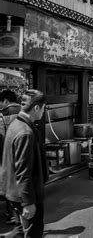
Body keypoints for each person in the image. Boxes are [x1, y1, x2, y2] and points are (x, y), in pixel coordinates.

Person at [0, 89, 49, 237]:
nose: (43, 112)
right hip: (25, 195)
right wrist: (28, 202)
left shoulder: (15, 124)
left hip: (13, 192)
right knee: (32, 233)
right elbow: (23, 171)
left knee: (20, 231)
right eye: (43, 108)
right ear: (36, 108)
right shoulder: (25, 132)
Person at [0, 90, 21, 226]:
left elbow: (1, 136)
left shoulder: (3, 115)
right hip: (21, 151)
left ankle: (12, 214)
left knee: (9, 183)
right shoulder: (25, 111)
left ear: (6, 101)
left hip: (7, 153)